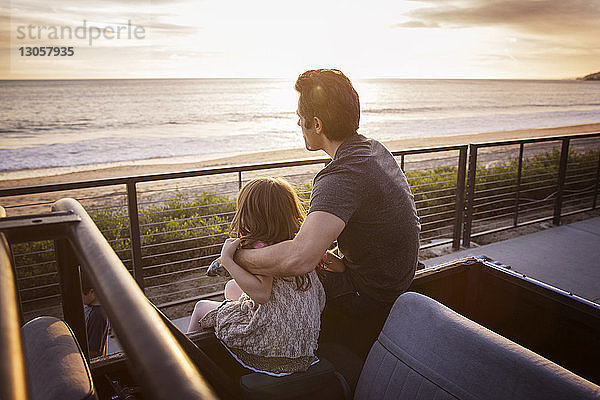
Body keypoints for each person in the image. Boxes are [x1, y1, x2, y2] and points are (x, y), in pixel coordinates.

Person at [232, 69, 421, 353]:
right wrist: (344, 260)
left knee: (274, 284)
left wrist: (238, 258)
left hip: (369, 296)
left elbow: (299, 258)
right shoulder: (372, 149)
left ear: (317, 124)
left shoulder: (341, 175)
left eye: (300, 117)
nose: (298, 122)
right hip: (394, 280)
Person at [186, 177, 327, 376]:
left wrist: (227, 259)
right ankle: (242, 319)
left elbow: (262, 294)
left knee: (201, 307)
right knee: (231, 288)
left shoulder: (262, 248)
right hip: (301, 349)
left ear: (251, 213)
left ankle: (187, 367)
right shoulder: (300, 245)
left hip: (271, 351)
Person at [81, 273, 109, 358]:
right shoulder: (89, 307)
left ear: (92, 292)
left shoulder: (98, 315)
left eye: (81, 294)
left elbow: (93, 351)